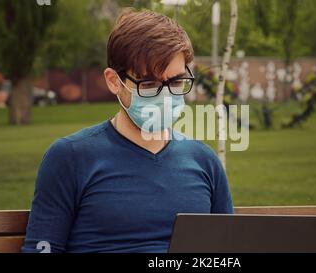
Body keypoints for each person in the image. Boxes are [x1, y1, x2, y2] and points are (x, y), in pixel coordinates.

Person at [21, 9, 234, 253]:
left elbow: (225, 251)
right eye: (149, 84)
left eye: (175, 82)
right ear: (114, 81)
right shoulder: (70, 157)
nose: (166, 96)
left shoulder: (204, 161)